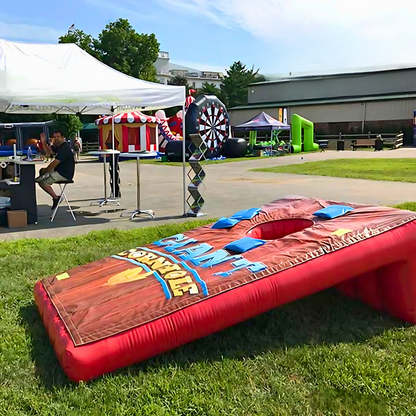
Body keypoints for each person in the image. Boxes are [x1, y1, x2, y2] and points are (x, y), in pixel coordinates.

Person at [36, 131, 75, 210]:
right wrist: (43, 141)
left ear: (63, 137)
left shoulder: (64, 148)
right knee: (41, 172)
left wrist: (46, 171)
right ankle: (56, 197)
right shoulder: (59, 146)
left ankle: (56, 198)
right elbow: (49, 152)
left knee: (42, 182)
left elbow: (54, 163)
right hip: (59, 171)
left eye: (58, 137)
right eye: (55, 137)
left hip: (64, 174)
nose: (56, 139)